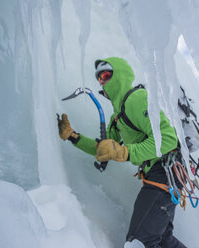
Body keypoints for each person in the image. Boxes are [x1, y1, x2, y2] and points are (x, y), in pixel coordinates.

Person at [58, 57, 186, 248]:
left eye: (106, 75)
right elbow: (104, 149)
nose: (102, 81)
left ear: (120, 74)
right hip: (160, 175)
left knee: (139, 242)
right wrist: (72, 136)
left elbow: (168, 139)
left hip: (164, 172)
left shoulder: (137, 98)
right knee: (162, 238)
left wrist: (125, 152)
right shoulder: (117, 116)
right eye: (99, 78)